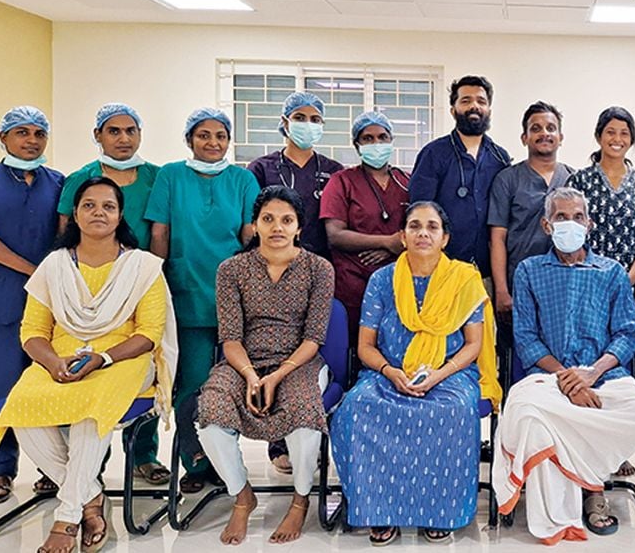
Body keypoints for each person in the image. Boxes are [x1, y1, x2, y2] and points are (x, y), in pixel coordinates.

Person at [0, 177, 174, 553]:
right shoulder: (54, 266)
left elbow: (149, 334)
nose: (98, 213)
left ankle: (67, 516)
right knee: (21, 409)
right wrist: (54, 362)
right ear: (74, 213)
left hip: (125, 359)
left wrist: (103, 358)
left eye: (108, 206)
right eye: (89, 205)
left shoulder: (142, 267)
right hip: (60, 359)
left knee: (93, 410)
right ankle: (92, 497)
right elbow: (33, 331)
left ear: (120, 214)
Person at [330, 200, 500, 546]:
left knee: (451, 411)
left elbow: (472, 346)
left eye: (432, 227)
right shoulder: (383, 280)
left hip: (451, 373)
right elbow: (365, 346)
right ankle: (379, 510)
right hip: (387, 372)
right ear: (403, 236)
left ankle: (440, 512)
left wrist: (438, 375)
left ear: (445, 238)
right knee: (356, 408)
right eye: (415, 226)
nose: (423, 233)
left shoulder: (463, 279)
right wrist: (392, 373)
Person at [495, 187, 635, 544]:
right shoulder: (529, 271)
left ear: (589, 223)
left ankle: (589, 482)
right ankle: (584, 496)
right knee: (524, 412)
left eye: (577, 217)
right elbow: (527, 338)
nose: (570, 224)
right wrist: (568, 380)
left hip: (605, 375)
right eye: (561, 217)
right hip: (547, 378)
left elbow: (627, 333)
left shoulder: (611, 272)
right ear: (547, 226)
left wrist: (592, 374)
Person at [195, 186, 334, 545]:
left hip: (299, 362)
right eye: (268, 219)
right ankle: (241, 495)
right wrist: (252, 376)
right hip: (243, 362)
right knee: (210, 413)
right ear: (254, 225)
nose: (277, 227)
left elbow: (314, 337)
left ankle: (301, 498)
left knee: (305, 416)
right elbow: (230, 337)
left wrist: (277, 375)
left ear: (299, 228)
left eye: (286, 220)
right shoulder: (232, 269)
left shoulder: (319, 268)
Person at [145, 107, 260, 493]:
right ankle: (193, 463)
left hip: (234, 295)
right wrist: (158, 280)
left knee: (230, 383)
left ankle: (226, 461)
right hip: (186, 289)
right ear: (189, 140)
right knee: (191, 383)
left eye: (221, 136)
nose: (213, 143)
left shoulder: (243, 180)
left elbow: (249, 236)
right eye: (204, 135)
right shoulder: (170, 176)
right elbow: (160, 232)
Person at [55, 102, 168, 485]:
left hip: (139, 283)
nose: (123, 138)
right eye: (114, 131)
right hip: (88, 285)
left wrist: (144, 278)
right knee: (82, 369)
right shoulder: (80, 179)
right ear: (98, 136)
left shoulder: (157, 177)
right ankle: (88, 466)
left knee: (143, 363)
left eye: (131, 130)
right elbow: (64, 233)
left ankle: (144, 456)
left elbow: (160, 232)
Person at [0, 105, 64, 504]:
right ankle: (0, 471)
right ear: (4, 138)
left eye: (39, 133)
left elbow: (62, 237)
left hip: (49, 300)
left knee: (49, 383)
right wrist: (34, 271)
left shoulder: (57, 182)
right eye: (22, 132)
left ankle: (52, 469)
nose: (31, 140)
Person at [408, 75, 512, 276]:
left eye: (481, 101)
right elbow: (419, 211)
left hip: (488, 272)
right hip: (440, 270)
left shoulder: (500, 157)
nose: (474, 106)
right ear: (453, 110)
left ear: (489, 110)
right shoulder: (434, 154)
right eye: (466, 100)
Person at [320, 110, 409, 343]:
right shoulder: (341, 181)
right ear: (356, 145)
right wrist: (387, 242)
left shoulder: (406, 181)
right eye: (367, 138)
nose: (376, 143)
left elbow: (419, 229)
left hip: (399, 281)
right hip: (353, 283)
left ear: (391, 140)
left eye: (382, 137)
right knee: (353, 347)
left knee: (396, 345)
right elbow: (335, 235)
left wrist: (391, 247)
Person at [566, 106, 635, 320]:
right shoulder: (579, 182)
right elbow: (571, 233)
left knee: (630, 345)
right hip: (587, 283)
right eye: (610, 132)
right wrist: (597, 281)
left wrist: (625, 281)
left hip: (634, 286)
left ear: (631, 140)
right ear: (599, 136)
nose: (617, 138)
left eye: (624, 133)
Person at [488, 100, 572, 317]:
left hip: (566, 283)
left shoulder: (574, 179)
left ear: (560, 138)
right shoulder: (507, 179)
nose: (544, 133)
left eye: (551, 128)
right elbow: (497, 239)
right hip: (519, 283)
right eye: (536, 129)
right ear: (524, 138)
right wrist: (501, 291)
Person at [246, 91, 343, 257]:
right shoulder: (261, 169)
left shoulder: (334, 171)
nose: (307, 124)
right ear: (285, 122)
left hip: (321, 262)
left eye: (315, 119)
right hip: (272, 260)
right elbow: (250, 223)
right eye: (299, 117)